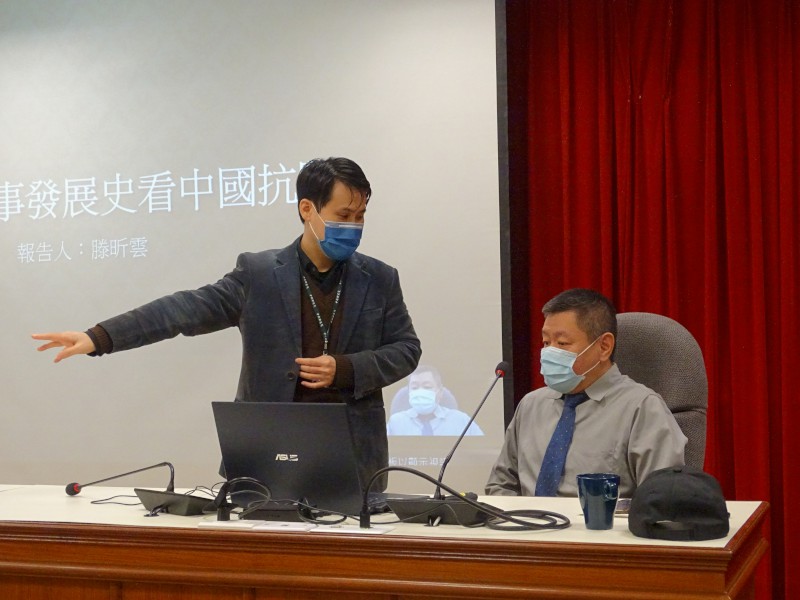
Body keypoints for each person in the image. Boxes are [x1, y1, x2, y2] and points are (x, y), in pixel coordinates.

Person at [32, 157, 422, 492]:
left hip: (354, 460)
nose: (353, 226)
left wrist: (348, 368)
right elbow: (184, 309)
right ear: (308, 209)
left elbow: (406, 349)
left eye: (360, 216)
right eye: (343, 216)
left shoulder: (379, 278)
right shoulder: (259, 274)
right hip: (266, 456)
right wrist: (99, 337)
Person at [485, 288, 686, 497]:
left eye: (562, 343)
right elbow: (500, 486)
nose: (549, 352)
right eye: (546, 343)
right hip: (526, 518)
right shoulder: (531, 405)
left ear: (604, 347)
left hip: (601, 519)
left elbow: (661, 500)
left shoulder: (642, 408)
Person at [386, 365, 484, 436]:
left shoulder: (461, 421)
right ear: (408, 392)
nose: (420, 392)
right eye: (414, 387)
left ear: (440, 392)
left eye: (427, 387)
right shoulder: (395, 422)